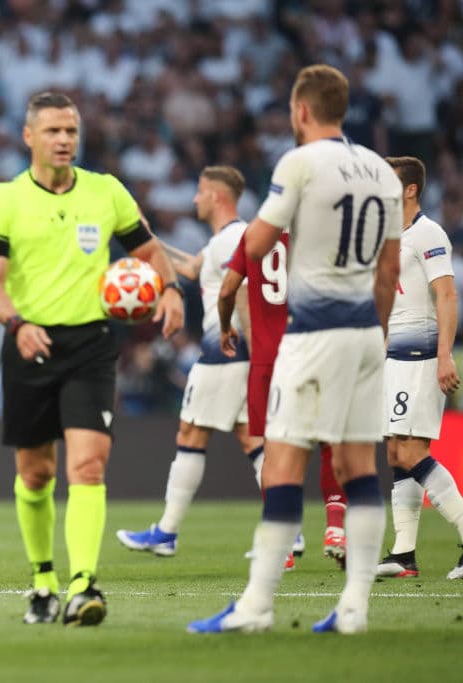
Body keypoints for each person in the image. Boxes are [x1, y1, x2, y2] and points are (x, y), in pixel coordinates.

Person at [189, 64, 402, 635]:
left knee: (283, 462)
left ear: (302, 110)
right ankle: (354, 608)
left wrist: (226, 299)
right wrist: (377, 335)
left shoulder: (300, 163)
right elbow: (388, 272)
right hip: (364, 334)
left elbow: (256, 244)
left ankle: (256, 606)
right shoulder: (382, 172)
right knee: (359, 468)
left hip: (311, 334)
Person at [0, 91, 184, 627]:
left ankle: (84, 585)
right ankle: (43, 581)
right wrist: (16, 324)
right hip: (29, 342)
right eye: (52, 131)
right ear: (29, 137)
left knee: (87, 465)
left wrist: (172, 289)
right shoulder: (5, 200)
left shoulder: (106, 192)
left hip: (90, 345)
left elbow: (148, 249)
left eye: (70, 130)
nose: (64, 140)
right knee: (36, 473)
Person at [117, 166, 263, 558]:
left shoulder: (229, 240)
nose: (194, 199)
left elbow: (246, 295)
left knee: (190, 434)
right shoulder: (230, 238)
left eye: (200, 192)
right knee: (251, 438)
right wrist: (144, 237)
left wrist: (250, 347)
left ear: (217, 196)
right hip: (240, 354)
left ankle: (166, 532)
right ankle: (288, 527)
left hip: (225, 352)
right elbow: (189, 268)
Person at [218, 221, 349, 571]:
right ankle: (335, 528)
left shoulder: (253, 235)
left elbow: (228, 289)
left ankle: (283, 544)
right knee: (329, 442)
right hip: (313, 353)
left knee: (275, 451)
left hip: (267, 360)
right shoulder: (320, 233)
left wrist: (224, 325)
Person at [375, 156, 463, 581]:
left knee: (412, 452)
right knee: (395, 452)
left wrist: (445, 354)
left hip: (422, 355)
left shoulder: (428, 234)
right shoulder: (392, 236)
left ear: (410, 189)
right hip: (396, 357)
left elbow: (446, 295)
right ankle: (403, 554)